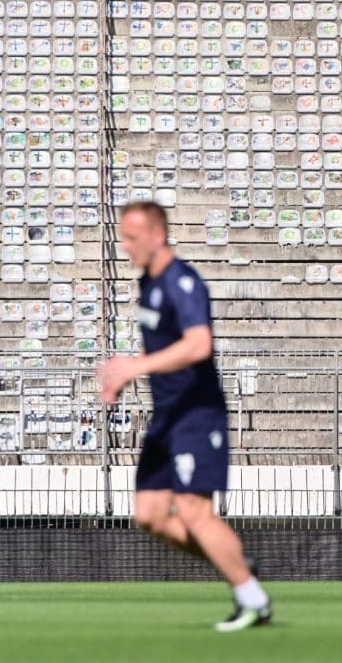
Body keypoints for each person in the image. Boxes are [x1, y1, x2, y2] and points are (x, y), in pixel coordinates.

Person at [97, 201, 271, 632]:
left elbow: (198, 345)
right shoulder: (149, 284)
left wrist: (135, 367)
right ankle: (231, 559)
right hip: (167, 417)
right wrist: (124, 371)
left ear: (158, 234)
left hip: (196, 414)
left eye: (133, 237)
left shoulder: (182, 282)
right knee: (151, 515)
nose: (126, 245)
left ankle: (252, 598)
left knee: (194, 512)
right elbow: (161, 349)